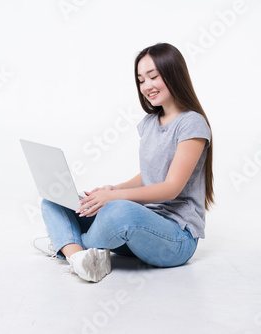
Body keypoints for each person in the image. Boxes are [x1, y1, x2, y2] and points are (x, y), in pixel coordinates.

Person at [33, 42, 214, 283]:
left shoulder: (192, 123)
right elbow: (150, 174)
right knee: (54, 199)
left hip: (175, 238)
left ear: (172, 73)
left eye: (153, 76)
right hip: (139, 229)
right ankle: (78, 257)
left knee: (119, 210)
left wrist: (115, 199)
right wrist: (115, 189)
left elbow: (171, 187)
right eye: (141, 80)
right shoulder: (150, 122)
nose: (146, 86)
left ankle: (65, 244)